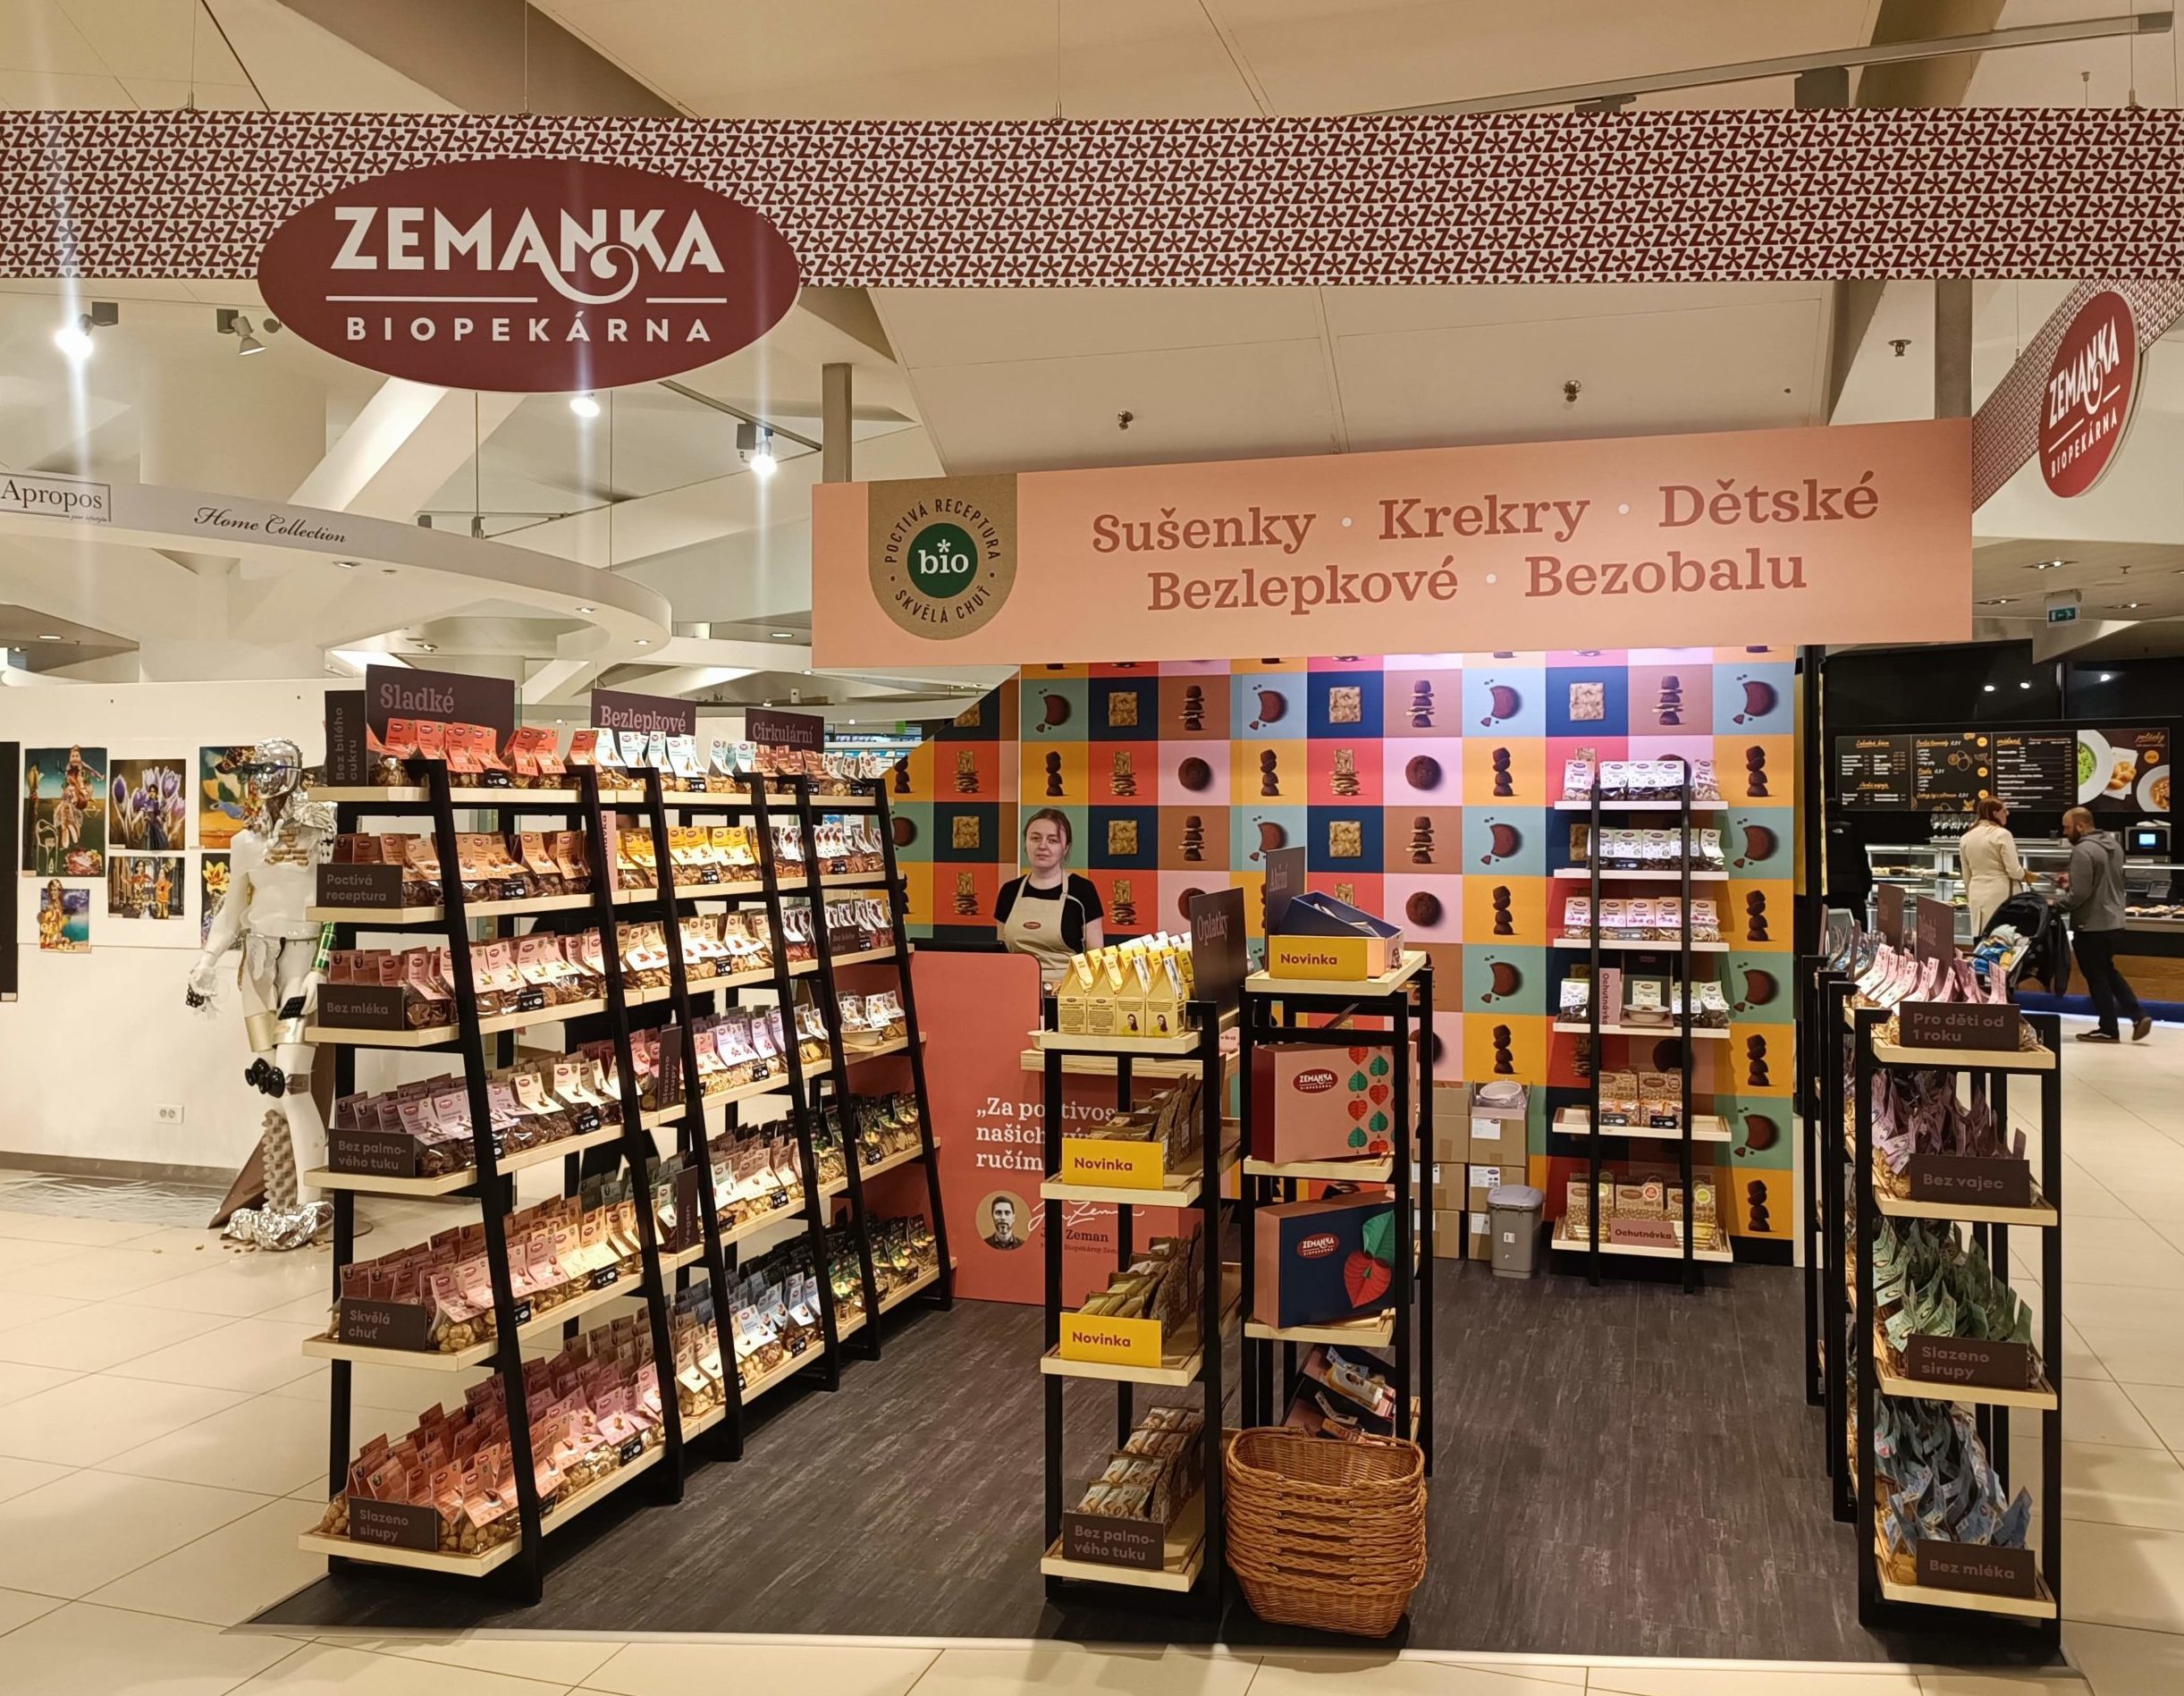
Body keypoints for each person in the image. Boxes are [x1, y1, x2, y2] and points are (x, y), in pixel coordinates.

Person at [2057, 806, 2150, 1043]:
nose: (2065, 832)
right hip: (2115, 921)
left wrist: (2056, 905)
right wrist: (2072, 885)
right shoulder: (2113, 846)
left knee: (2096, 976)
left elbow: (2080, 894)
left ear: (2080, 826)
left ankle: (2108, 1028)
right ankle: (2138, 1015)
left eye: (2067, 827)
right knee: (2107, 971)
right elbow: (2104, 882)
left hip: (2092, 924)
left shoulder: (2082, 850)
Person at [993, 807, 1104, 987]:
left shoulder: (1082, 891)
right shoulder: (1009, 891)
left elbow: (1095, 959)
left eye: (1052, 840)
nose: (1042, 846)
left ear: (1065, 848)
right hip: (1016, 988)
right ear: (1025, 844)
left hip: (1068, 992)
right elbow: (1001, 951)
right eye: (1035, 838)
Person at [1960, 796, 2029, 935]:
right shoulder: (2002, 834)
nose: (2007, 813)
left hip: (1976, 892)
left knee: (1980, 935)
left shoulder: (1966, 837)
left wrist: (1970, 895)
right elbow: (2014, 871)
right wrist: (2026, 874)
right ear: (1995, 813)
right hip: (2000, 893)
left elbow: (1966, 874)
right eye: (2004, 810)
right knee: (2000, 936)